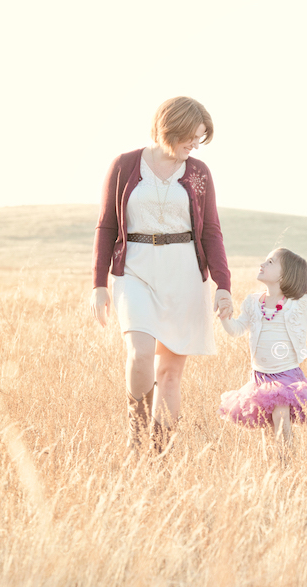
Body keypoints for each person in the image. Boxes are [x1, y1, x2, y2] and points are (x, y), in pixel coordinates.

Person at [91, 96, 232, 455]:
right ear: (171, 128)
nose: (195, 146)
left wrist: (223, 285)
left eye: (200, 139)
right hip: (135, 269)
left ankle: (160, 453)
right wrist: (99, 285)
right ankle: (136, 437)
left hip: (184, 274)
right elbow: (107, 226)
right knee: (139, 353)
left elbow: (211, 231)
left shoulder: (199, 173)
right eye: (191, 137)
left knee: (169, 374)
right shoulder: (125, 165)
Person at [218, 248, 307, 445]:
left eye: (270, 262)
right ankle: (275, 461)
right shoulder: (252, 302)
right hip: (261, 375)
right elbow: (236, 329)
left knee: (280, 414)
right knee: (267, 423)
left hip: (286, 373)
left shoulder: (298, 302)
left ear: (286, 274)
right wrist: (225, 318)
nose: (262, 264)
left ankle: (287, 455)